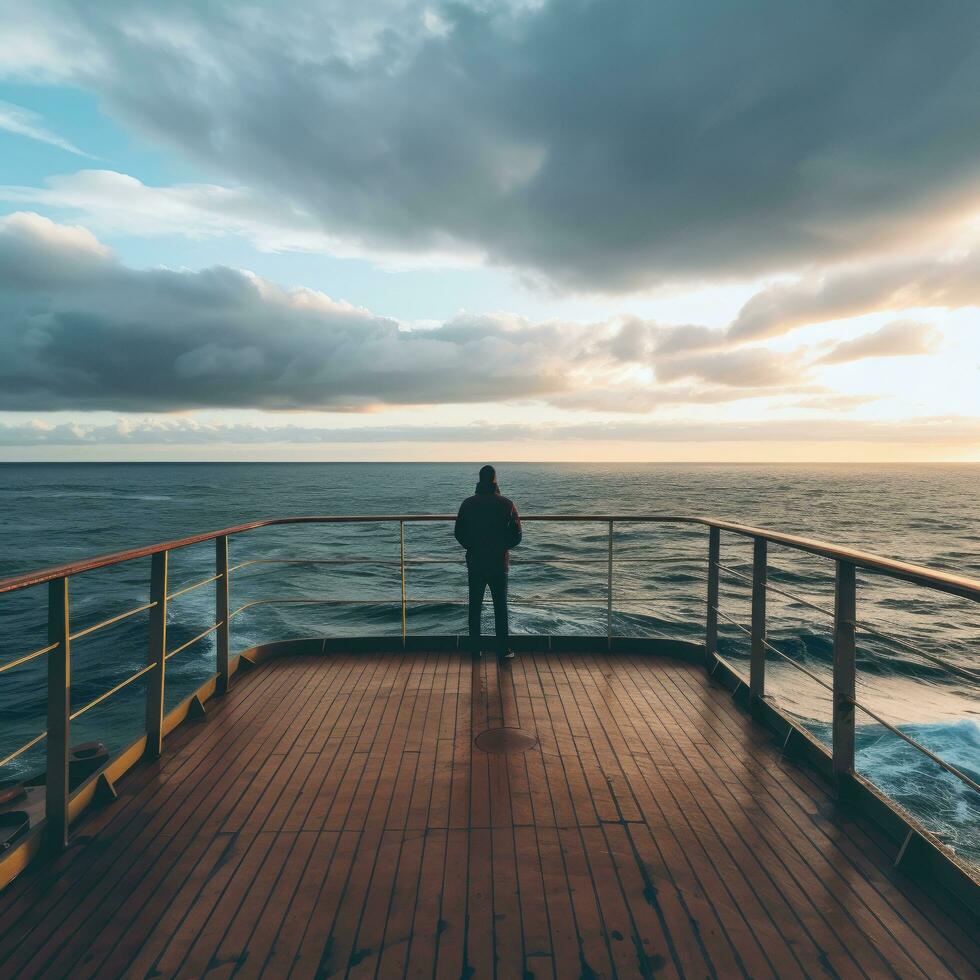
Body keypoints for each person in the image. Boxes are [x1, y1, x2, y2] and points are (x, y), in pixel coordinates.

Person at [454, 465, 522, 662]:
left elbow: (459, 533)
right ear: (495, 480)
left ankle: (475, 649)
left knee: (474, 606)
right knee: (500, 607)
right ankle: (503, 649)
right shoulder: (507, 504)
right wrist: (501, 547)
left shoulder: (467, 504)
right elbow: (517, 536)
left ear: (479, 479)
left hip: (475, 562)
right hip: (499, 563)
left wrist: (473, 547)